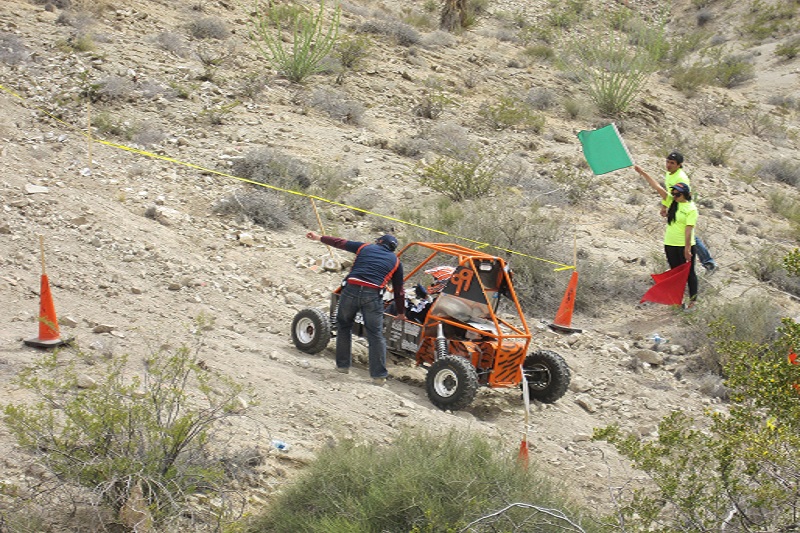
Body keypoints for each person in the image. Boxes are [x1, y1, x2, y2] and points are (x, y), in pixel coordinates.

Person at [306, 231, 404, 385]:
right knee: (375, 334)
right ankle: (378, 376)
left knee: (344, 326)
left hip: (351, 289)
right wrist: (401, 312)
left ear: (379, 242)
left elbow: (340, 242)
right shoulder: (396, 262)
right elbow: (399, 290)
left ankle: (342, 366)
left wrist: (319, 237)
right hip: (373, 296)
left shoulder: (364, 247)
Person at [634, 167, 699, 308]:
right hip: (670, 243)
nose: (674, 195)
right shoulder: (672, 202)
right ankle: (677, 301)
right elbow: (657, 187)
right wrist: (643, 172)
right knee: (674, 273)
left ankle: (693, 301)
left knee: (689, 273)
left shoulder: (691, 209)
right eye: (673, 192)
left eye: (678, 194)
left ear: (685, 194)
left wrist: (687, 249)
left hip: (684, 245)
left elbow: (689, 230)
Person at [655, 152, 718, 273]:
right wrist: (665, 206)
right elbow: (670, 193)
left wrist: (677, 208)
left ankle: (708, 262)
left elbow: (684, 194)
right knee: (687, 234)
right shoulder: (669, 173)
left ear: (679, 165)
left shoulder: (681, 177)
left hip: (683, 207)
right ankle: (706, 261)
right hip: (675, 205)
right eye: (667, 162)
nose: (668, 165)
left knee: (689, 235)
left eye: (672, 163)